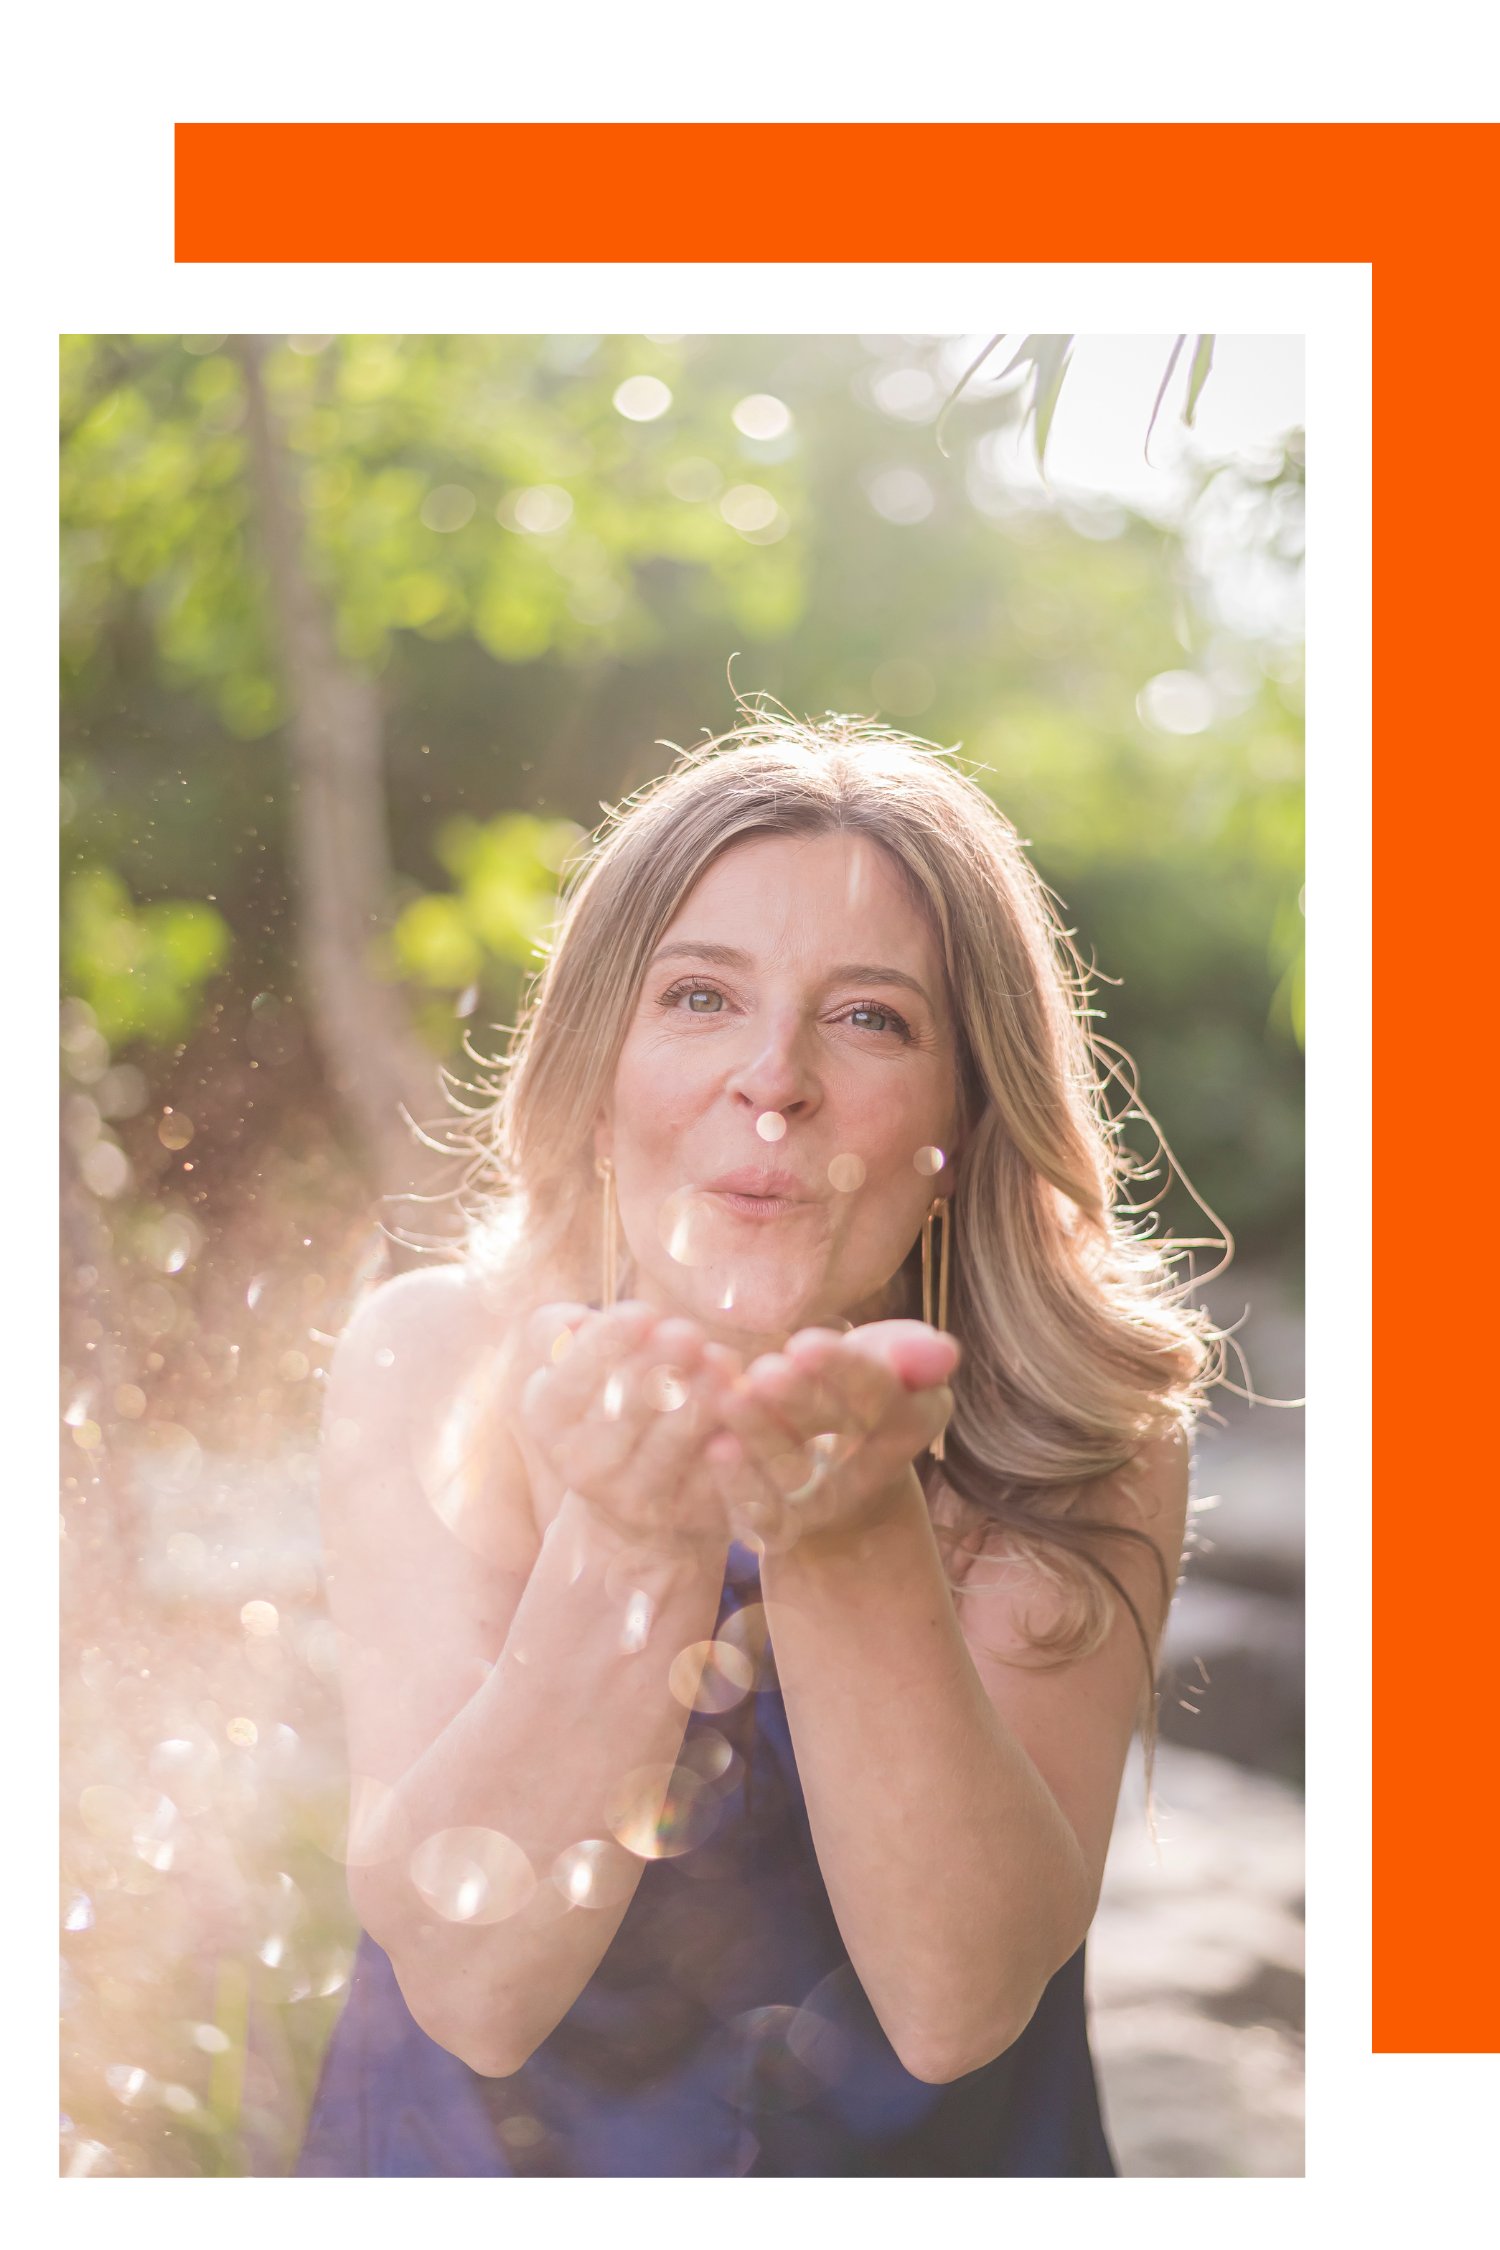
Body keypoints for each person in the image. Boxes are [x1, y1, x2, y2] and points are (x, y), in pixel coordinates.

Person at [297, 716, 1213, 2178]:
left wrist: (845, 1533)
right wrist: (633, 1533)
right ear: (599, 1069)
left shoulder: (1083, 1426)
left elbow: (953, 2004)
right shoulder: (440, 1363)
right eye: (701, 996)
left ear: (965, 1122)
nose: (774, 1079)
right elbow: (473, 1988)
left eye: (870, 1017)